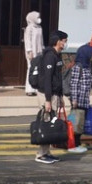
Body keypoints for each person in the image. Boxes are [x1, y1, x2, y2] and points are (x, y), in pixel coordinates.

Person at [37, 30, 68, 164]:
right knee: (47, 123)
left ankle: (46, 152)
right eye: (64, 41)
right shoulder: (50, 56)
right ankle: (41, 154)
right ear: (58, 41)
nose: (65, 43)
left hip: (55, 94)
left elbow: (57, 78)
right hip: (47, 94)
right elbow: (48, 79)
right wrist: (48, 100)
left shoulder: (57, 55)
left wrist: (60, 96)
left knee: (51, 123)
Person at [66, 45, 92, 154]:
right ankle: (73, 145)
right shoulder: (78, 67)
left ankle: (77, 144)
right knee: (75, 124)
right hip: (78, 101)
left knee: (80, 124)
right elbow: (74, 84)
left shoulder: (87, 66)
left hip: (84, 100)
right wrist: (74, 100)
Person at [23, 11, 43, 96]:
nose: (38, 18)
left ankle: (35, 88)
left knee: (37, 70)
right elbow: (27, 40)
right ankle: (29, 89)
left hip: (38, 52)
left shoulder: (39, 28)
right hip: (31, 53)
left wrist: (42, 50)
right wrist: (29, 50)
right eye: (37, 17)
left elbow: (41, 40)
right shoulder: (29, 28)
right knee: (31, 69)